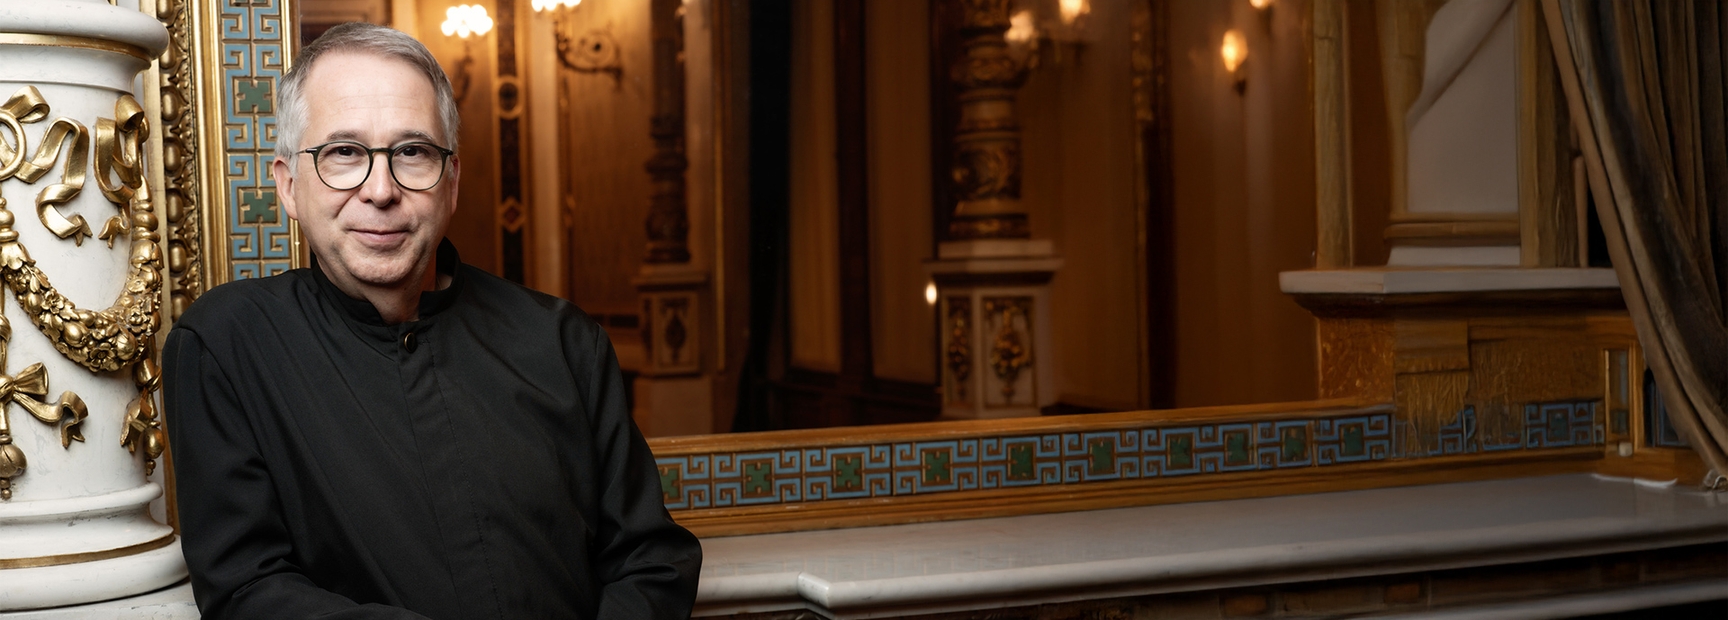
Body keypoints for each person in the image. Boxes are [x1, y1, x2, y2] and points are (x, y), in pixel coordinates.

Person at [163, 22, 701, 619]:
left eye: (411, 152)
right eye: (344, 153)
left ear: (451, 182)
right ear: (289, 187)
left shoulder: (564, 342)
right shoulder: (225, 346)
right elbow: (247, 591)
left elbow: (652, 561)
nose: (381, 190)